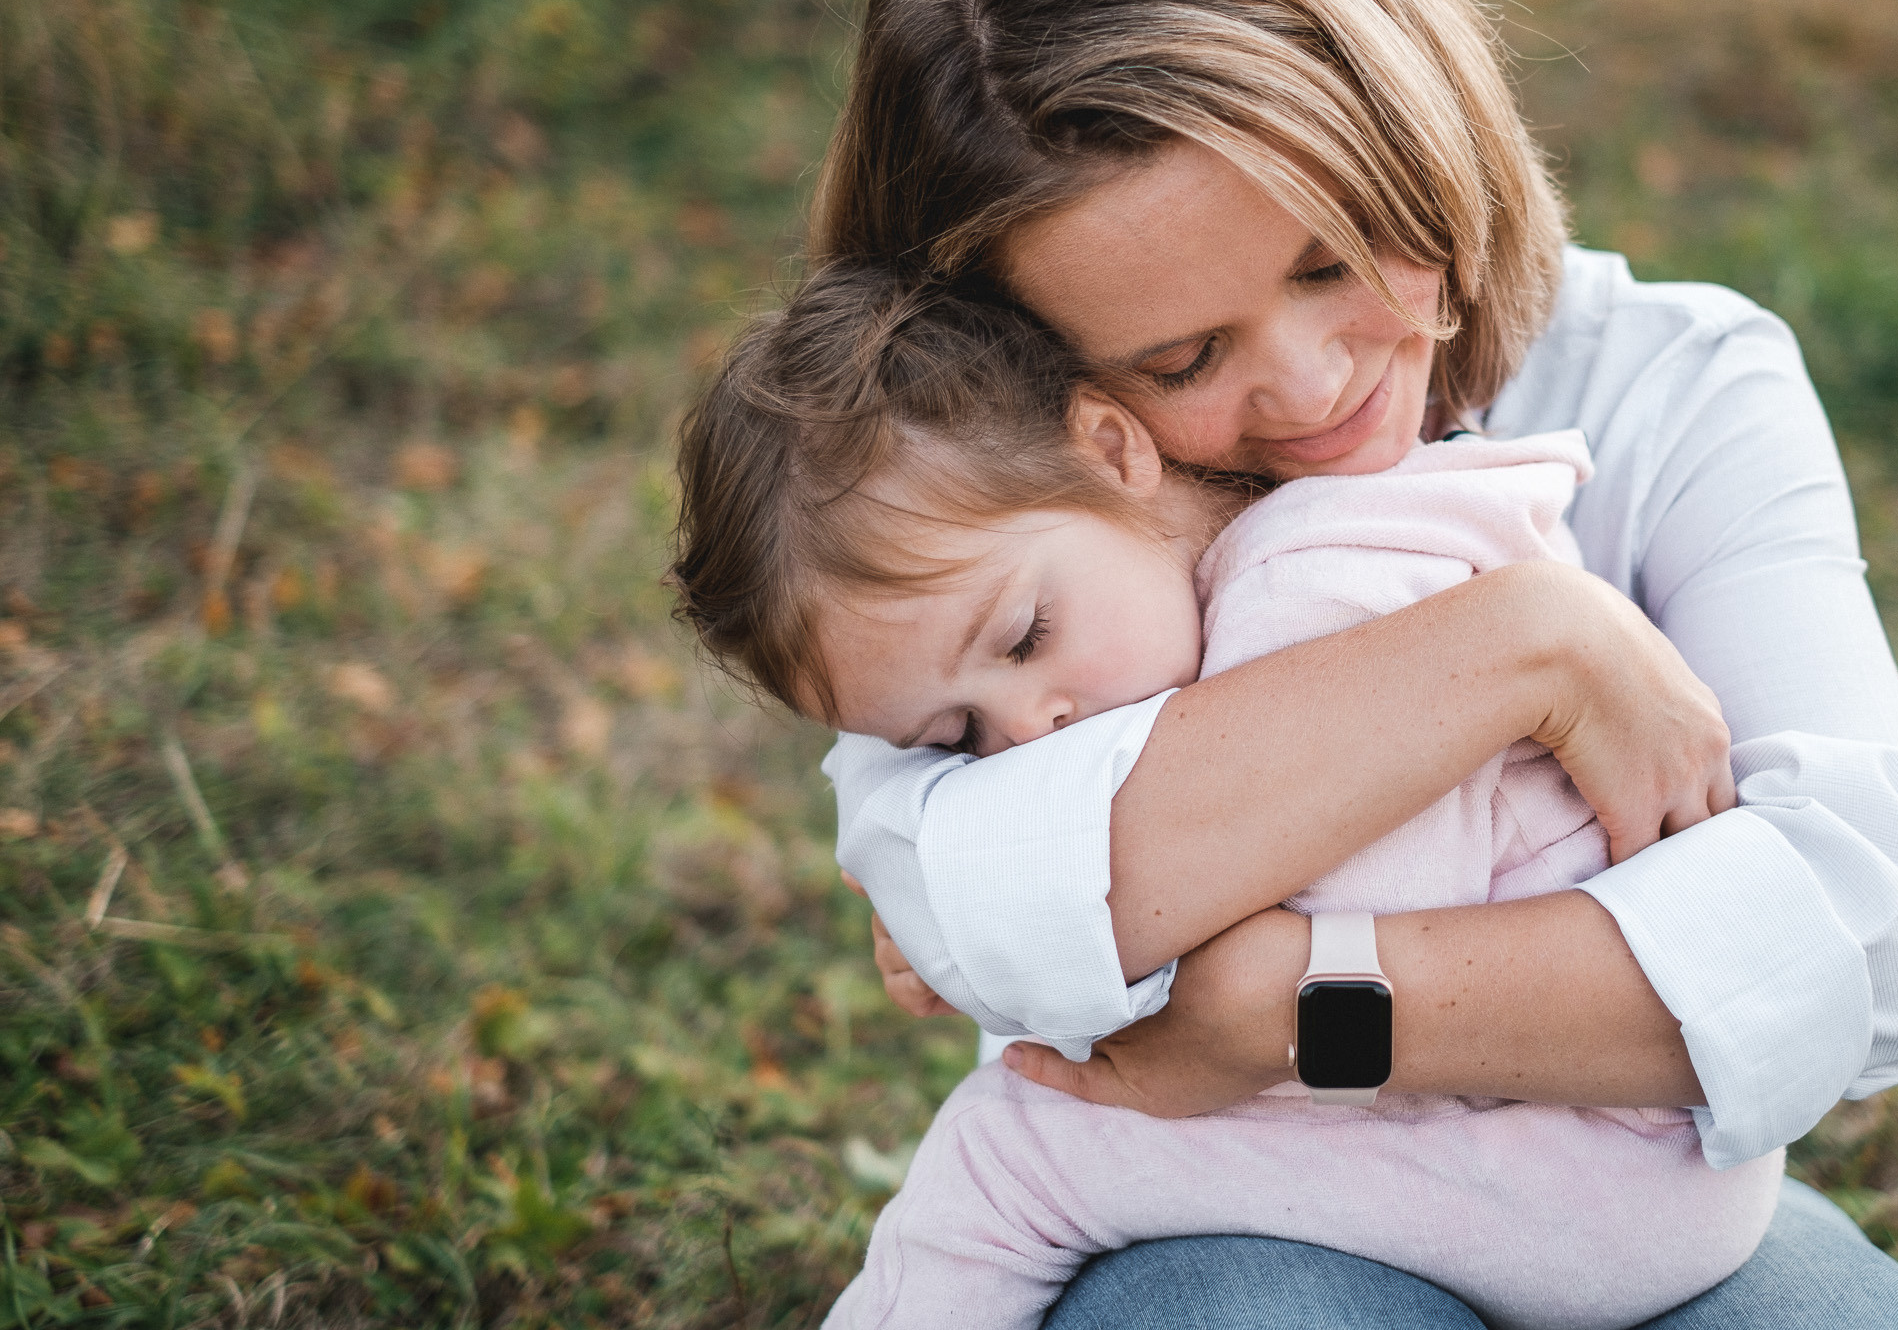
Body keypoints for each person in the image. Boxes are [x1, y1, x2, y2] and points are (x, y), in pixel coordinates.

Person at [806, 0, 1898, 1325]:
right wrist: (1522, 648)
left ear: (1425, 133)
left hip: (1622, 1199)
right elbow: (978, 900)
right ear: (1025, 379)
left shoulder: (1674, 381)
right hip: (1215, 1205)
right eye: (1181, 359)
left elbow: (1864, 948)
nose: (1308, 384)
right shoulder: (979, 509)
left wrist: (1286, 1005)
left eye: (1334, 253)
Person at [669, 270, 1786, 1329]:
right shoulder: (1204, 583)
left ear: (1113, 452)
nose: (1027, 736)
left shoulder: (1314, 587)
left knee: (1013, 1154)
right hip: (1544, 1145)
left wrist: (999, 947)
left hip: (1597, 1166)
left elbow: (1336, 936)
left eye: (1024, 638)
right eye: (953, 739)